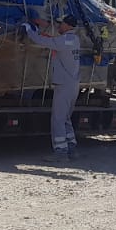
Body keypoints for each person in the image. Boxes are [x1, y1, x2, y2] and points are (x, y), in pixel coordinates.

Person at [23, 12, 81, 161]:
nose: (59, 26)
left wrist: (29, 30)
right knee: (66, 117)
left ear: (67, 25)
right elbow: (54, 40)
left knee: (58, 119)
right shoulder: (74, 39)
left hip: (64, 85)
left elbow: (43, 41)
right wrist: (43, 29)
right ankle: (71, 148)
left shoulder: (64, 41)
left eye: (61, 24)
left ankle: (60, 152)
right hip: (72, 84)